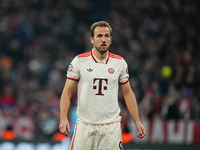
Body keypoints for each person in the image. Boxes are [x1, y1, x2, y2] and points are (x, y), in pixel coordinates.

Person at [59, 21, 146, 150]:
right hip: (85, 126)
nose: (103, 39)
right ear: (92, 40)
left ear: (111, 40)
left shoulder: (119, 63)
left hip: (111, 127)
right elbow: (67, 92)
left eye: (106, 36)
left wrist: (137, 120)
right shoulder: (79, 61)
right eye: (99, 36)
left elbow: (127, 93)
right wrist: (63, 118)